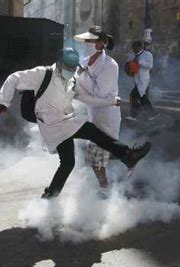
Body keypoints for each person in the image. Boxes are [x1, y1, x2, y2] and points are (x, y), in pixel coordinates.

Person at [0, 48, 151, 199]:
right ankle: (128, 155)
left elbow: (85, 97)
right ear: (59, 63)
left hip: (65, 121)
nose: (71, 70)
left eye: (73, 67)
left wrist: (109, 101)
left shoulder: (71, 79)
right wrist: (4, 102)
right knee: (90, 131)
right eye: (68, 67)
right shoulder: (43, 73)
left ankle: (50, 196)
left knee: (68, 162)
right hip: (52, 125)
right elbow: (14, 78)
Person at [74, 26, 121, 199]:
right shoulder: (85, 60)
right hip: (93, 111)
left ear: (101, 43)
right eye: (86, 41)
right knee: (100, 153)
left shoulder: (110, 65)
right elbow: (78, 82)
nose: (87, 44)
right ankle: (121, 163)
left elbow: (99, 92)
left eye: (91, 41)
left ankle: (105, 189)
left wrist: (82, 76)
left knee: (96, 155)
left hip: (106, 114)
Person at [126, 41, 158, 121]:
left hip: (144, 79)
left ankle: (135, 115)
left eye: (135, 48)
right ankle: (152, 113)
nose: (133, 50)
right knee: (141, 97)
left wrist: (139, 62)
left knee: (134, 96)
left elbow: (150, 65)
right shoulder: (134, 55)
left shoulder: (147, 54)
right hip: (137, 79)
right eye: (133, 49)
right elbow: (129, 63)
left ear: (140, 47)